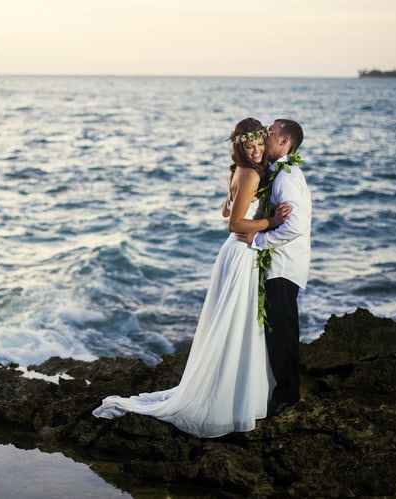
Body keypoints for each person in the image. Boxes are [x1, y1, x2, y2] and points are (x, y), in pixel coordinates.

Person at [92, 118, 291, 438]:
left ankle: (231, 394)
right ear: (240, 146)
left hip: (240, 254)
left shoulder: (241, 171)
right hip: (241, 254)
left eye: (258, 145)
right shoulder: (250, 173)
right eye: (249, 146)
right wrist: (269, 221)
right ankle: (226, 399)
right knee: (233, 325)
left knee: (235, 325)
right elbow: (234, 223)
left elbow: (226, 210)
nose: (255, 151)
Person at [237, 119, 311, 416]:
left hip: (283, 265)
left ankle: (288, 395)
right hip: (279, 263)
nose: (264, 136)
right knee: (277, 328)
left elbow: (295, 225)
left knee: (282, 331)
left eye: (269, 133)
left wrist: (259, 238)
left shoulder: (286, 177)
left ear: (283, 142)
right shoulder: (276, 172)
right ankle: (280, 388)